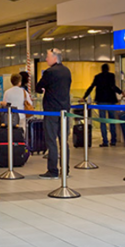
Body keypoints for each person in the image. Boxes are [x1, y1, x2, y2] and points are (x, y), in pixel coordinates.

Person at [36, 48, 72, 179]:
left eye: (48, 56)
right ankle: (65, 169)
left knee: (51, 141)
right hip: (65, 111)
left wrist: (44, 90)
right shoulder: (67, 71)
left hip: (51, 111)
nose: (46, 59)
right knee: (64, 141)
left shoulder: (49, 72)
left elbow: (38, 88)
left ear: (55, 58)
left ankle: (53, 170)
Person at [83, 63, 125, 147]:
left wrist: (84, 97)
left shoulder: (97, 77)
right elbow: (113, 86)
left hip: (101, 101)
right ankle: (113, 140)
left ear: (102, 69)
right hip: (111, 101)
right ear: (108, 69)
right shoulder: (111, 76)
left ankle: (105, 141)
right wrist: (122, 93)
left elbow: (91, 87)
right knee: (112, 121)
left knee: (103, 122)